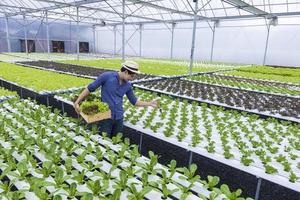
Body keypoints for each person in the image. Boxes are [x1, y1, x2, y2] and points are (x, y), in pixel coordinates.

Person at [74, 61, 157, 137]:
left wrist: (149, 103)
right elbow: (90, 88)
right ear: (125, 72)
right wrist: (77, 102)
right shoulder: (107, 76)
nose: (132, 78)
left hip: (119, 118)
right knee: (104, 140)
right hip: (105, 117)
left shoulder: (128, 85)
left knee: (116, 142)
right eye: (131, 76)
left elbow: (134, 101)